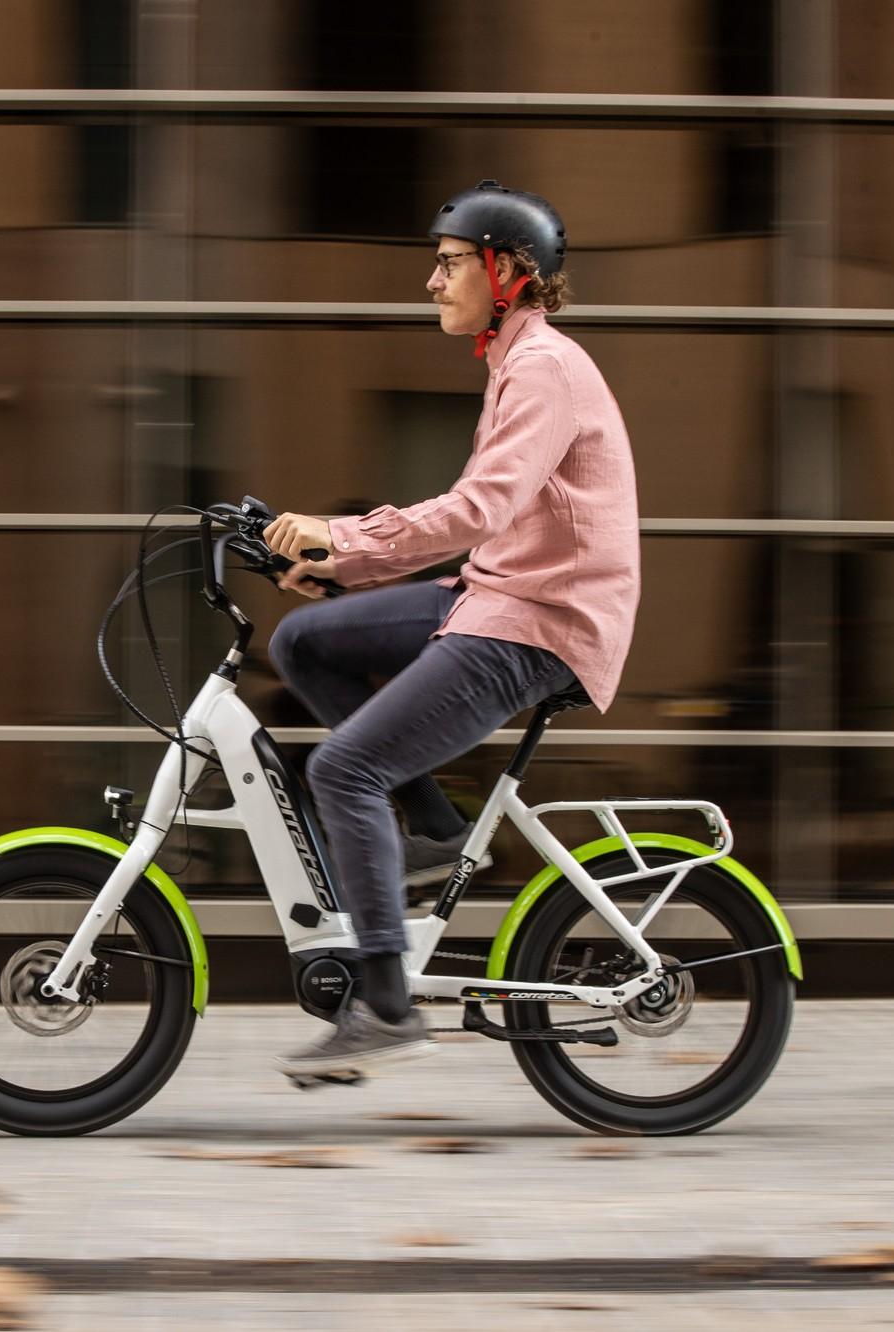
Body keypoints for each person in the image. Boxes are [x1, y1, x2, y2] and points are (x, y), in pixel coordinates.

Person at [262, 180, 642, 1079]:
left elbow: (480, 506)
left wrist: (344, 532)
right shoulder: (515, 364)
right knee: (303, 643)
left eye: (447, 263)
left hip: (538, 624)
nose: (432, 282)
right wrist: (335, 565)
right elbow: (490, 531)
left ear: (506, 271)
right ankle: (431, 832)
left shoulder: (544, 369)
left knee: (345, 767)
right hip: (495, 594)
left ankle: (386, 1003)